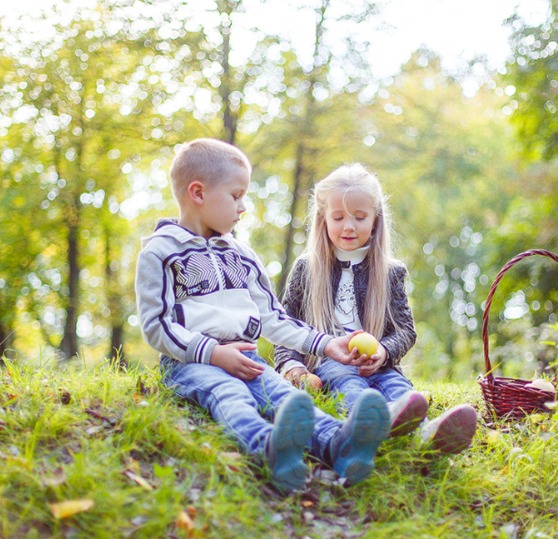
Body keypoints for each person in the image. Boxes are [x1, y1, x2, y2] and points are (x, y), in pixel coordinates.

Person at [135, 139, 391, 495]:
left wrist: (325, 344)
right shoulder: (161, 253)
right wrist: (213, 353)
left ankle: (341, 445)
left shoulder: (242, 254)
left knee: (286, 397)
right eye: (236, 195)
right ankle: (269, 448)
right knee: (228, 393)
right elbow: (157, 326)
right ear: (198, 193)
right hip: (190, 362)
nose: (243, 206)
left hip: (248, 357)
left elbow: (273, 317)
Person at [274, 163, 477, 455]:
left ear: (375, 219)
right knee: (350, 386)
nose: (348, 226)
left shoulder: (390, 272)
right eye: (338, 217)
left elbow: (405, 331)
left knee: (398, 388)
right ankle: (371, 423)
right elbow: (286, 326)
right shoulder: (307, 268)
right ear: (323, 219)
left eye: (359, 217)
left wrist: (384, 352)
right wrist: (292, 366)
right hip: (330, 362)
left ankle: (426, 434)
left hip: (377, 361)